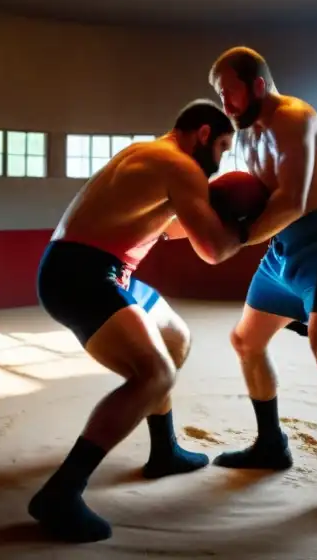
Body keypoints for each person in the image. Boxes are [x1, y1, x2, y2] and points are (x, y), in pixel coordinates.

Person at [28, 99, 244, 543]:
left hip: (101, 270)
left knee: (175, 340)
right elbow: (215, 250)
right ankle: (61, 493)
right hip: (81, 274)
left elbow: (172, 228)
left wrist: (213, 211)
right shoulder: (177, 165)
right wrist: (256, 222)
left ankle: (163, 450)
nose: (221, 162)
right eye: (223, 147)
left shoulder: (148, 155)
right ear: (203, 134)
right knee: (154, 373)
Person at [207, 46, 317, 527]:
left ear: (257, 85)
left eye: (230, 94)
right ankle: (270, 444)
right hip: (283, 249)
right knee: (245, 340)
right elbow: (249, 199)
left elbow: (291, 201)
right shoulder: (246, 137)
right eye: (221, 98)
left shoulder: (296, 119)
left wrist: (234, 240)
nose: (227, 106)